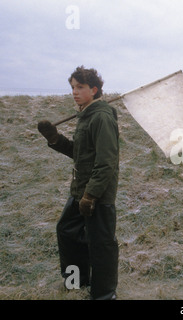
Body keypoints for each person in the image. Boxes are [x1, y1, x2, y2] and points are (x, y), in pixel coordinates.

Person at [37, 66, 120, 300]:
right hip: (79, 190)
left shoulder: (101, 117)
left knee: (101, 244)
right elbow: (81, 154)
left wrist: (91, 196)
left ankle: (104, 295)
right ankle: (77, 281)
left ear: (94, 90)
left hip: (98, 194)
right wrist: (55, 139)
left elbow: (107, 162)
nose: (74, 92)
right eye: (72, 87)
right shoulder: (86, 115)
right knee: (67, 231)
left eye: (80, 87)